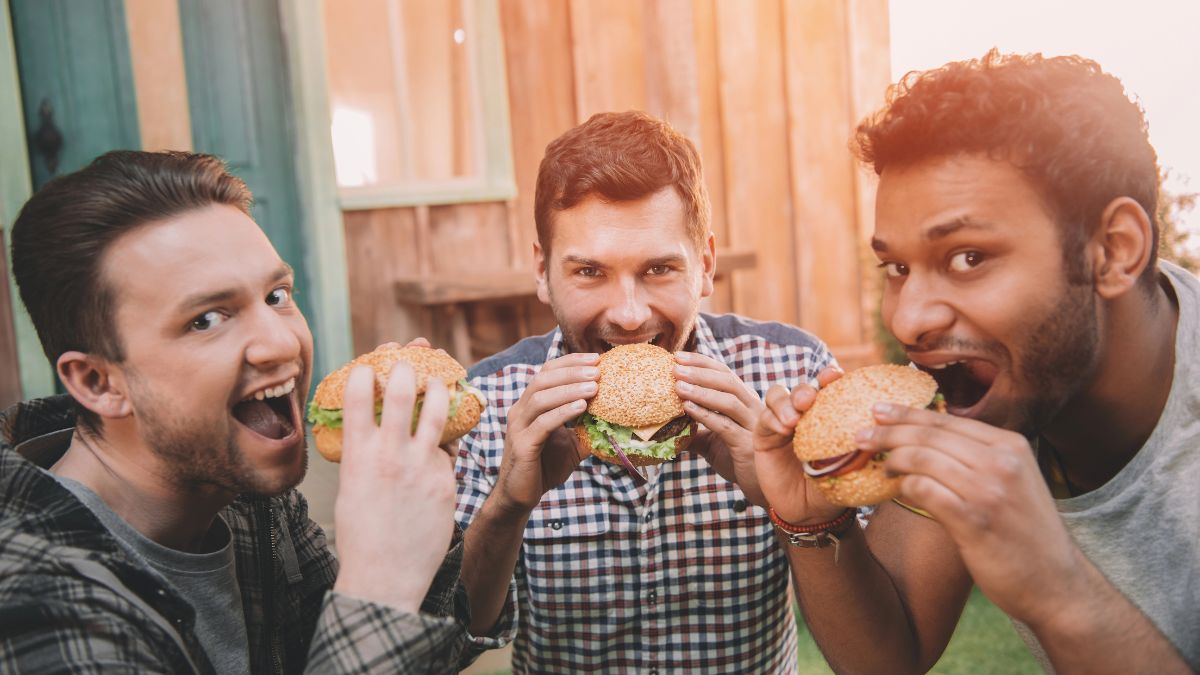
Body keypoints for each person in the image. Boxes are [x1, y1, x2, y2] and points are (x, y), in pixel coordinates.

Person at [753, 51, 1198, 674]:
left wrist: (1058, 591)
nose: (907, 320)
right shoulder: (986, 399)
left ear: (1114, 250)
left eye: (968, 258)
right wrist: (812, 523)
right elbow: (888, 657)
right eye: (897, 268)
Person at [0, 151, 507, 673]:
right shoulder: (31, 600)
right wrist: (378, 585)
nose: (281, 342)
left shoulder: (248, 495)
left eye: (276, 295)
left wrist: (487, 508)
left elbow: (384, 654)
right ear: (98, 382)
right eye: (206, 320)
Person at [453, 110, 837, 672]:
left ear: (704, 265)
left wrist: (790, 505)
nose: (630, 315)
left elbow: (867, 647)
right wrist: (508, 506)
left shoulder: (794, 373)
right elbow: (455, 641)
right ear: (543, 272)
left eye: (659, 269)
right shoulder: (488, 402)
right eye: (589, 272)